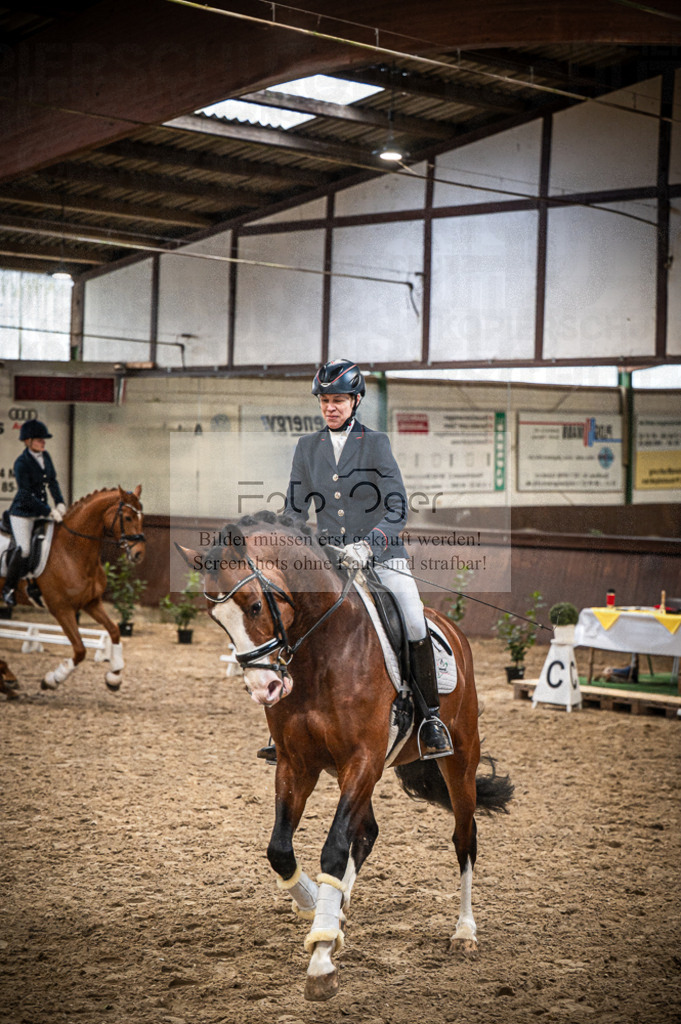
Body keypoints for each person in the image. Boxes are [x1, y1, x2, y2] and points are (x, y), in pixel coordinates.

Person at [270, 357, 453, 760]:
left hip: (382, 555)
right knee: (289, 617)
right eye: (324, 401)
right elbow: (294, 512)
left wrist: (368, 545)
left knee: (412, 617)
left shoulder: (376, 444)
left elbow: (397, 509)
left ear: (355, 401)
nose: (330, 407)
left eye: (337, 400)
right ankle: (285, 719)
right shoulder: (307, 447)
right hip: (330, 560)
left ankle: (430, 718)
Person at [2, 420, 66, 607]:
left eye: (43, 440)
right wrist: (49, 511)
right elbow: (25, 494)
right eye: (39, 440)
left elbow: (52, 482)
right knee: (25, 549)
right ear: (28, 441)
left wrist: (60, 502)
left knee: (52, 546)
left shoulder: (46, 457)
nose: (43, 442)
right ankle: (9, 588)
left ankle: (37, 585)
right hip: (22, 513)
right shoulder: (21, 463)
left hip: (41, 511)